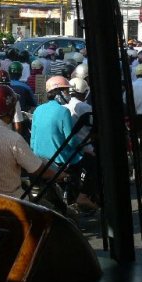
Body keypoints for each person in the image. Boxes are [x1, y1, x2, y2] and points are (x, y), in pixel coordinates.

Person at [0, 84, 61, 198]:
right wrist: (62, 175)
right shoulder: (13, 139)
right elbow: (38, 169)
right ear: (11, 109)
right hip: (14, 200)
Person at [31, 75, 98, 210]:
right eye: (66, 91)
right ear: (59, 93)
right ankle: (83, 197)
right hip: (61, 159)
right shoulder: (63, 111)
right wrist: (85, 149)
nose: (68, 94)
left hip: (40, 159)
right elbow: (71, 140)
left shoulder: (38, 110)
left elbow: (33, 140)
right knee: (92, 163)